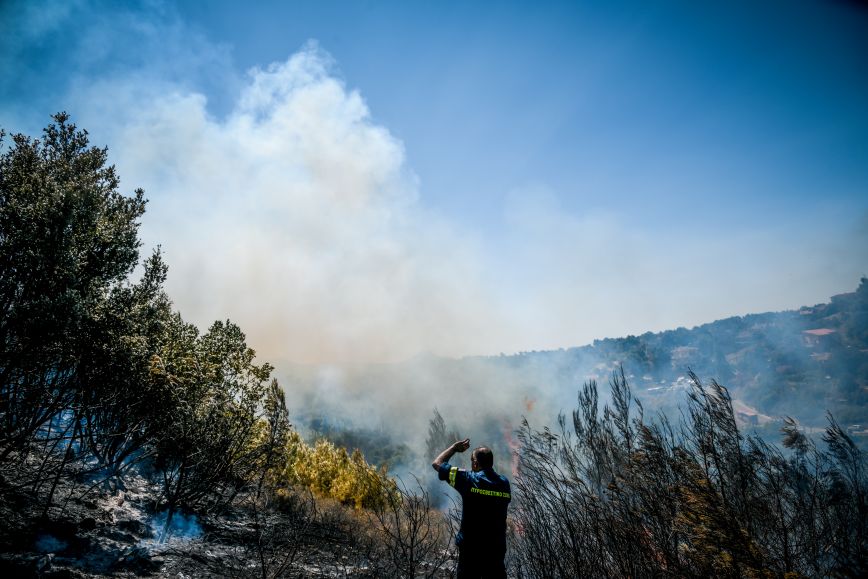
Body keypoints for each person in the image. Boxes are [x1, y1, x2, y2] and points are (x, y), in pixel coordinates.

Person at [432, 438, 511, 579]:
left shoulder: (468, 479)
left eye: (471, 461)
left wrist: (454, 448)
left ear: (475, 463)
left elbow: (437, 463)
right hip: (496, 550)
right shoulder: (504, 483)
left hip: (471, 550)